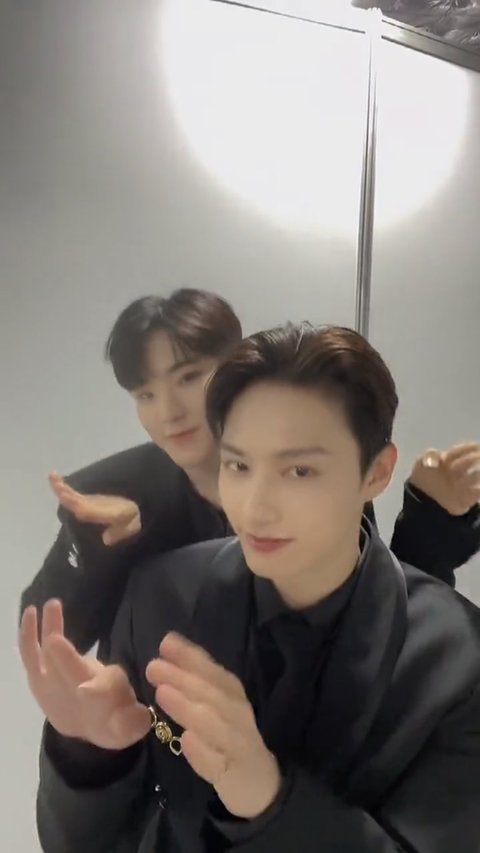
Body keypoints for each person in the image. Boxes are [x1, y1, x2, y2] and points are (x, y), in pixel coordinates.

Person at [20, 323, 480, 852]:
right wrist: (88, 759)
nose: (255, 507)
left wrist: (268, 801)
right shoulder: (159, 597)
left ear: (376, 473)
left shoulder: (458, 661)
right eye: (237, 464)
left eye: (299, 471)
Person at [20, 291, 480, 658]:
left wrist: (429, 521)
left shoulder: (320, 454)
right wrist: (97, 547)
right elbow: (46, 643)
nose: (169, 411)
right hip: (156, 728)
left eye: (188, 377)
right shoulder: (111, 494)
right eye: (145, 395)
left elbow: (381, 624)